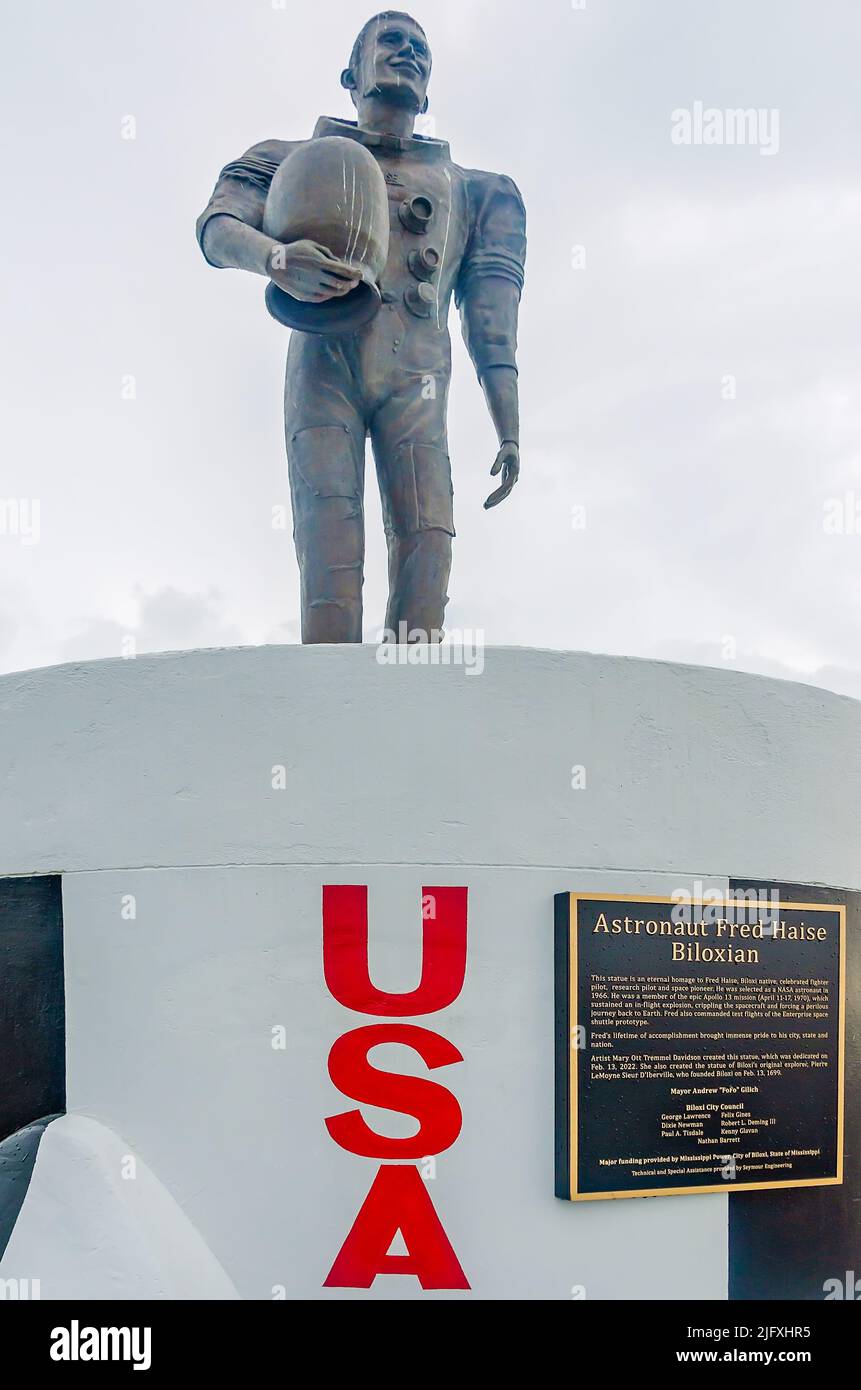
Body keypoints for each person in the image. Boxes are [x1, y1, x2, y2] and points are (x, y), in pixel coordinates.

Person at [197, 12, 526, 643]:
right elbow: (216, 227)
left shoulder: (478, 192)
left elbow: (492, 317)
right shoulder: (292, 162)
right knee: (329, 547)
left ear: (429, 91)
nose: (408, 54)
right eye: (392, 42)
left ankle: (409, 721)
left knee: (427, 543)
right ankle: (327, 721)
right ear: (352, 75)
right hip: (326, 366)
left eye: (420, 48)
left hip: (419, 381)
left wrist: (508, 426)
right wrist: (275, 258)